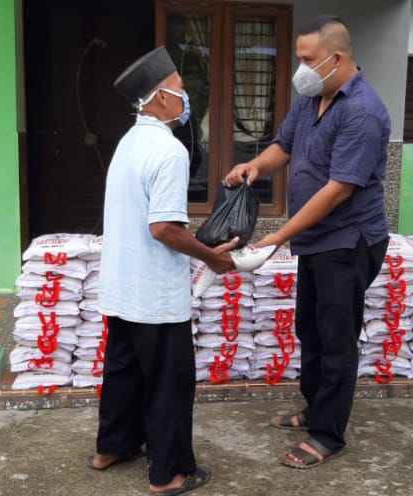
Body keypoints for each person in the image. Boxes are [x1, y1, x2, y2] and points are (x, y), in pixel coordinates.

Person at [225, 16, 391, 469]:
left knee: (336, 339)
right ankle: (315, 408)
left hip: (349, 241)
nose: (300, 68)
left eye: (307, 60)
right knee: (310, 330)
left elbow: (339, 189)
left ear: (336, 59)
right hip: (316, 242)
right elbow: (284, 144)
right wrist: (255, 166)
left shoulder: (363, 112)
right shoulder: (311, 97)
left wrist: (278, 236)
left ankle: (327, 435)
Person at [93, 46, 236, 495]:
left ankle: (112, 448)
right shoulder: (169, 151)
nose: (185, 96)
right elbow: (163, 228)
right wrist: (212, 257)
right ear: (157, 98)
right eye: (178, 88)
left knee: (123, 372)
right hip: (155, 296)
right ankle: (169, 472)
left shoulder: (128, 142)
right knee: (169, 384)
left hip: (121, 288)